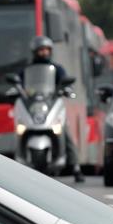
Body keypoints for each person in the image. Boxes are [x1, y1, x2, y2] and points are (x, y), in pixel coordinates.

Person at [28, 35, 85, 183]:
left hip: (53, 106)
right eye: (41, 50)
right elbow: (20, 84)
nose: (44, 52)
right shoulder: (27, 70)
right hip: (34, 107)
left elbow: (66, 83)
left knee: (64, 132)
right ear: (35, 51)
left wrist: (67, 89)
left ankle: (76, 167)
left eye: (47, 49)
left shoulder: (57, 69)